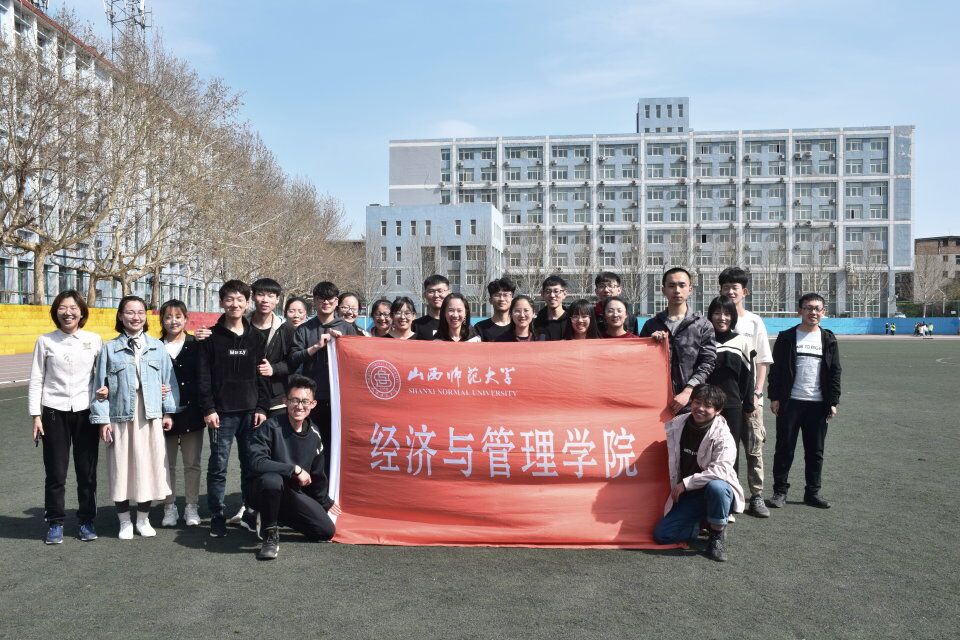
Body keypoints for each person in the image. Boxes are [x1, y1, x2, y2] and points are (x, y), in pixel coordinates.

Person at [90, 295, 178, 539]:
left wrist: (168, 411)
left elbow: (168, 382)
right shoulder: (109, 349)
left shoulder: (157, 347)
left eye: (140, 312)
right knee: (121, 467)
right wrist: (103, 420)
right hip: (120, 415)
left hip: (150, 414)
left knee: (148, 466)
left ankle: (143, 519)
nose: (135, 317)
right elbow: (99, 388)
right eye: (130, 312)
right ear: (120, 316)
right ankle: (124, 521)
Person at [198, 280, 271, 538]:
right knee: (218, 466)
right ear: (221, 302)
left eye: (240, 299)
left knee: (250, 466)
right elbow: (203, 377)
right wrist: (208, 409)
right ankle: (217, 515)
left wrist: (262, 407)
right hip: (221, 414)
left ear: (247, 303)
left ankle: (250, 513)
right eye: (229, 299)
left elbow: (262, 374)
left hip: (251, 413)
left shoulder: (257, 337)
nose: (235, 304)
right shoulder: (210, 337)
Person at [28, 290, 103, 544]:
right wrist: (35, 415)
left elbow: (101, 377)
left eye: (73, 308)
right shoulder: (45, 341)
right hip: (53, 411)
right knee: (56, 472)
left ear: (82, 312)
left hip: (86, 411)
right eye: (62, 308)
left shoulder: (94, 340)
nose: (68, 313)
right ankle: (55, 522)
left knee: (87, 471)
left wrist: (104, 402)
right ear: (55, 311)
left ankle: (86, 521)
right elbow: (37, 378)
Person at [652, 384, 744, 562]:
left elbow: (721, 470)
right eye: (697, 402)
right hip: (690, 497)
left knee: (717, 487)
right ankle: (703, 522)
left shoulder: (724, 436)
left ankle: (717, 535)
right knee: (662, 535)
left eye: (708, 406)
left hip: (713, 492)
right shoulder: (677, 424)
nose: (700, 408)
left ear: (718, 411)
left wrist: (686, 484)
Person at [248, 375, 336, 560]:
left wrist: (325, 503)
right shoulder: (271, 426)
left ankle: (272, 515)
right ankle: (270, 534)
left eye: (305, 401)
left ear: (313, 404)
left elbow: (317, 475)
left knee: (325, 531)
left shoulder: (314, 434)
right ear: (285, 401)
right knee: (272, 479)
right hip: (263, 489)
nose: (299, 406)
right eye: (294, 400)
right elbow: (256, 462)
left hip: (291, 493)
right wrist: (294, 469)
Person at [767, 293, 842, 510]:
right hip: (790, 403)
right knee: (784, 449)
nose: (813, 312)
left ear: (823, 312)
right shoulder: (786, 337)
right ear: (800, 310)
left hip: (818, 405)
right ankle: (780, 492)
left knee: (815, 451)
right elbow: (776, 370)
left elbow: (835, 371)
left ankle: (813, 493)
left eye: (817, 309)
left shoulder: (828, 339)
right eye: (808, 308)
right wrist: (775, 397)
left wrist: (833, 401)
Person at [287, 281, 357, 478]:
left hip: (339, 400)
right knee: (310, 444)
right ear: (315, 301)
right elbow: (293, 359)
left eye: (330, 299)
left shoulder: (347, 328)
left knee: (336, 446)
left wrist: (342, 343)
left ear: (336, 302)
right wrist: (316, 346)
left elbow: (356, 361)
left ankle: (332, 487)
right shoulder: (304, 329)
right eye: (321, 299)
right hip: (312, 398)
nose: (326, 303)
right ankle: (309, 484)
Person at [718, 267, 773, 518]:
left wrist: (757, 393)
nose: (730, 291)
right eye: (726, 287)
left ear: (745, 292)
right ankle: (729, 493)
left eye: (735, 287)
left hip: (750, 399)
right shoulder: (716, 318)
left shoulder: (754, 321)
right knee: (725, 448)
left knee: (753, 448)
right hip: (724, 400)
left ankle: (756, 496)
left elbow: (762, 360)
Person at [704, 295, 756, 514]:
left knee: (729, 454)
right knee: (705, 451)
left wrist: (748, 406)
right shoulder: (704, 339)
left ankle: (729, 501)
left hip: (733, 407)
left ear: (733, 316)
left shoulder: (742, 341)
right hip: (705, 407)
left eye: (726, 313)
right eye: (717, 313)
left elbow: (748, 377)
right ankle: (705, 498)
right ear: (710, 316)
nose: (722, 318)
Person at [639, 268, 716, 414]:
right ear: (663, 290)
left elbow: (707, 362)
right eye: (671, 285)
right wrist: (650, 344)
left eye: (682, 285)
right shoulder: (651, 325)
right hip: (656, 400)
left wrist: (688, 391)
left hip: (691, 402)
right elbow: (641, 363)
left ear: (690, 289)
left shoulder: (702, 325)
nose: (677, 290)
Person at [158, 300, 204, 528]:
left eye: (178, 316)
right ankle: (169, 507)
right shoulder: (155, 347)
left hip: (192, 412)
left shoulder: (197, 345)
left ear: (186, 319)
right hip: (163, 414)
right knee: (166, 464)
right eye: (168, 317)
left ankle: (191, 506)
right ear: (162, 320)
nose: (173, 321)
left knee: (192, 463)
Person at [251, 278, 295, 418]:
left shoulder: (286, 328)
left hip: (276, 399)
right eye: (260, 294)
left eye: (270, 296)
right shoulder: (242, 326)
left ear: (277, 299)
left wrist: (274, 369)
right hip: (247, 397)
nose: (265, 300)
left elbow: (293, 362)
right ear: (253, 297)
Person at [475, 277, 516, 342]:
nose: (502, 299)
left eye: (505, 295)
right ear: (490, 300)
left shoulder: (518, 325)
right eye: (497, 295)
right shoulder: (480, 328)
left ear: (512, 299)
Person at [412, 275, 450, 340]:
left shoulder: (456, 324)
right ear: (425, 294)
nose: (436, 295)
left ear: (449, 293)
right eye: (431, 291)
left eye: (440, 291)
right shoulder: (415, 325)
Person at [533, 275, 569, 340]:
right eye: (548, 291)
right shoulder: (535, 323)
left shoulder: (571, 321)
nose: (552, 295)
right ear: (542, 294)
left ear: (565, 294)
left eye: (556, 291)